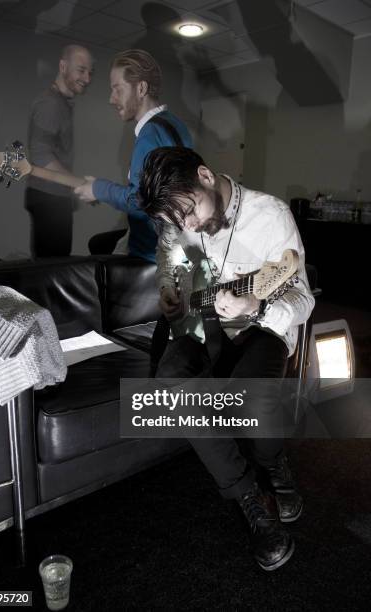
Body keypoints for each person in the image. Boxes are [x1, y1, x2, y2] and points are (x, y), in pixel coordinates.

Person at [138, 146, 315, 571]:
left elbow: (303, 299)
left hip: (263, 325)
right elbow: (170, 279)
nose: (189, 225)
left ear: (204, 176)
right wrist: (174, 295)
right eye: (176, 220)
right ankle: (249, 496)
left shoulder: (269, 216)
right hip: (204, 324)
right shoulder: (175, 222)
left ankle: (275, 468)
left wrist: (254, 304)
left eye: (190, 210)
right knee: (170, 386)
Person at [74, 49, 192, 263]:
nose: (112, 99)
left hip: (151, 254)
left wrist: (98, 189)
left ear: (141, 88)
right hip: (177, 243)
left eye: (117, 89)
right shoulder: (177, 124)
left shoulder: (148, 136)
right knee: (99, 243)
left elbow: (139, 202)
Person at [26, 44, 93, 257]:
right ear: (63, 67)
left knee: (56, 267)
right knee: (53, 271)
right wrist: (79, 184)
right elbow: (40, 156)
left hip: (54, 196)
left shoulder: (62, 103)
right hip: (48, 197)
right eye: (81, 70)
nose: (87, 78)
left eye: (90, 72)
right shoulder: (50, 104)